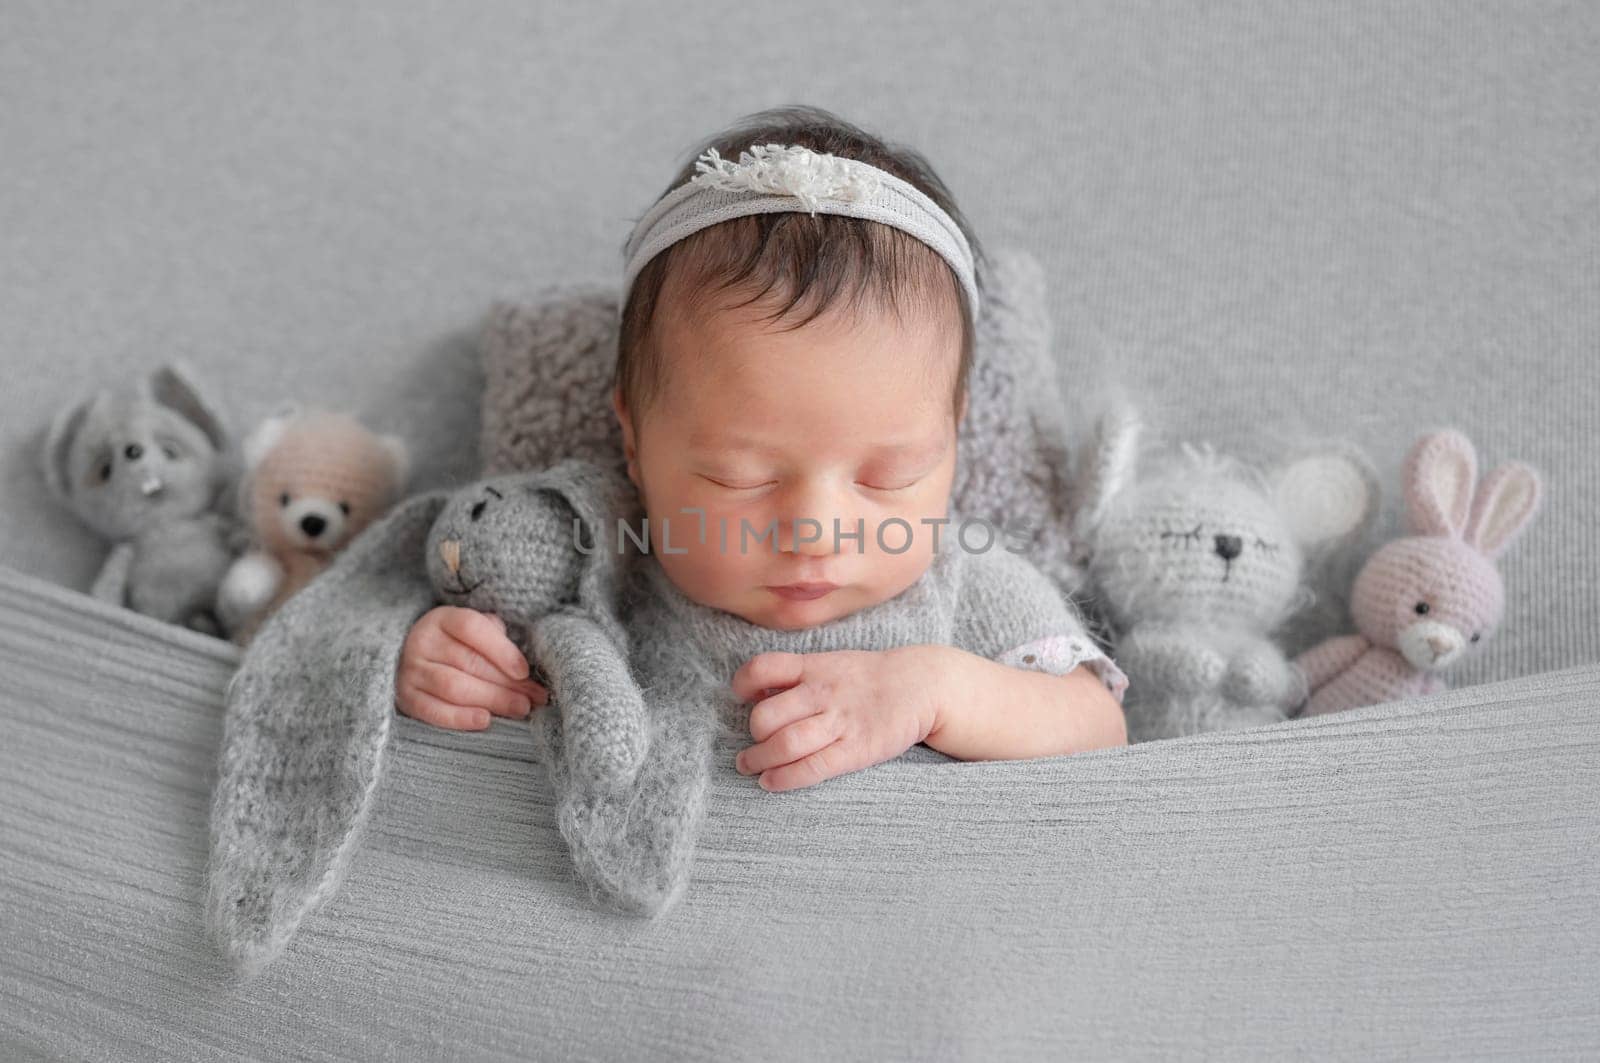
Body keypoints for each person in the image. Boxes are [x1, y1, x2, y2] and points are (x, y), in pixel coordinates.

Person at [395, 104, 1128, 791]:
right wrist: (448, 662)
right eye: (737, 477)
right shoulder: (605, 565)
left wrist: (940, 689)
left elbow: (1098, 724)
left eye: (887, 475)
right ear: (633, 439)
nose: (815, 529)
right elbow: (500, 642)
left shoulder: (961, 581)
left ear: (955, 435)